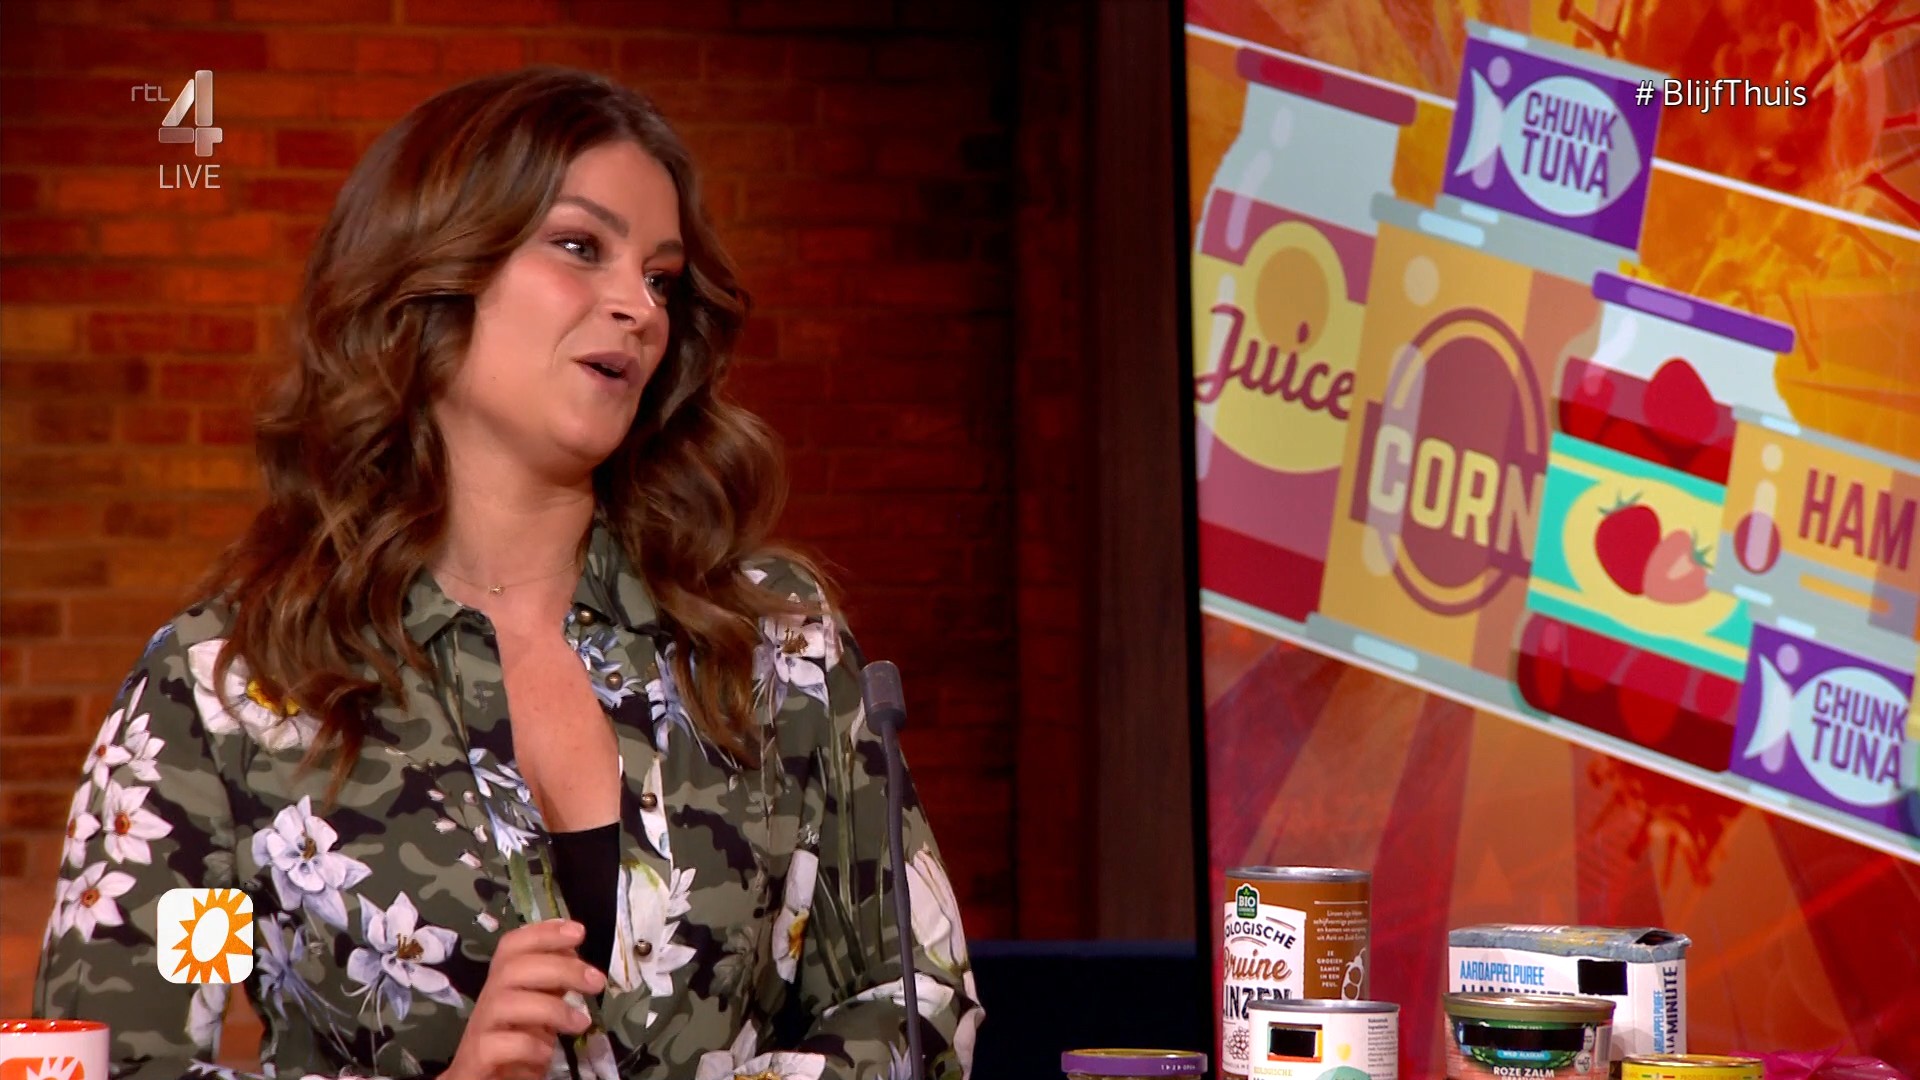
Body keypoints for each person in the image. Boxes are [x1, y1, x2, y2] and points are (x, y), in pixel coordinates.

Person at [33, 65, 982, 1080]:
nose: (638, 307)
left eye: (661, 278)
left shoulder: (771, 645)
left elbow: (914, 999)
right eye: (580, 247)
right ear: (436, 270)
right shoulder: (234, 695)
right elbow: (129, 1061)